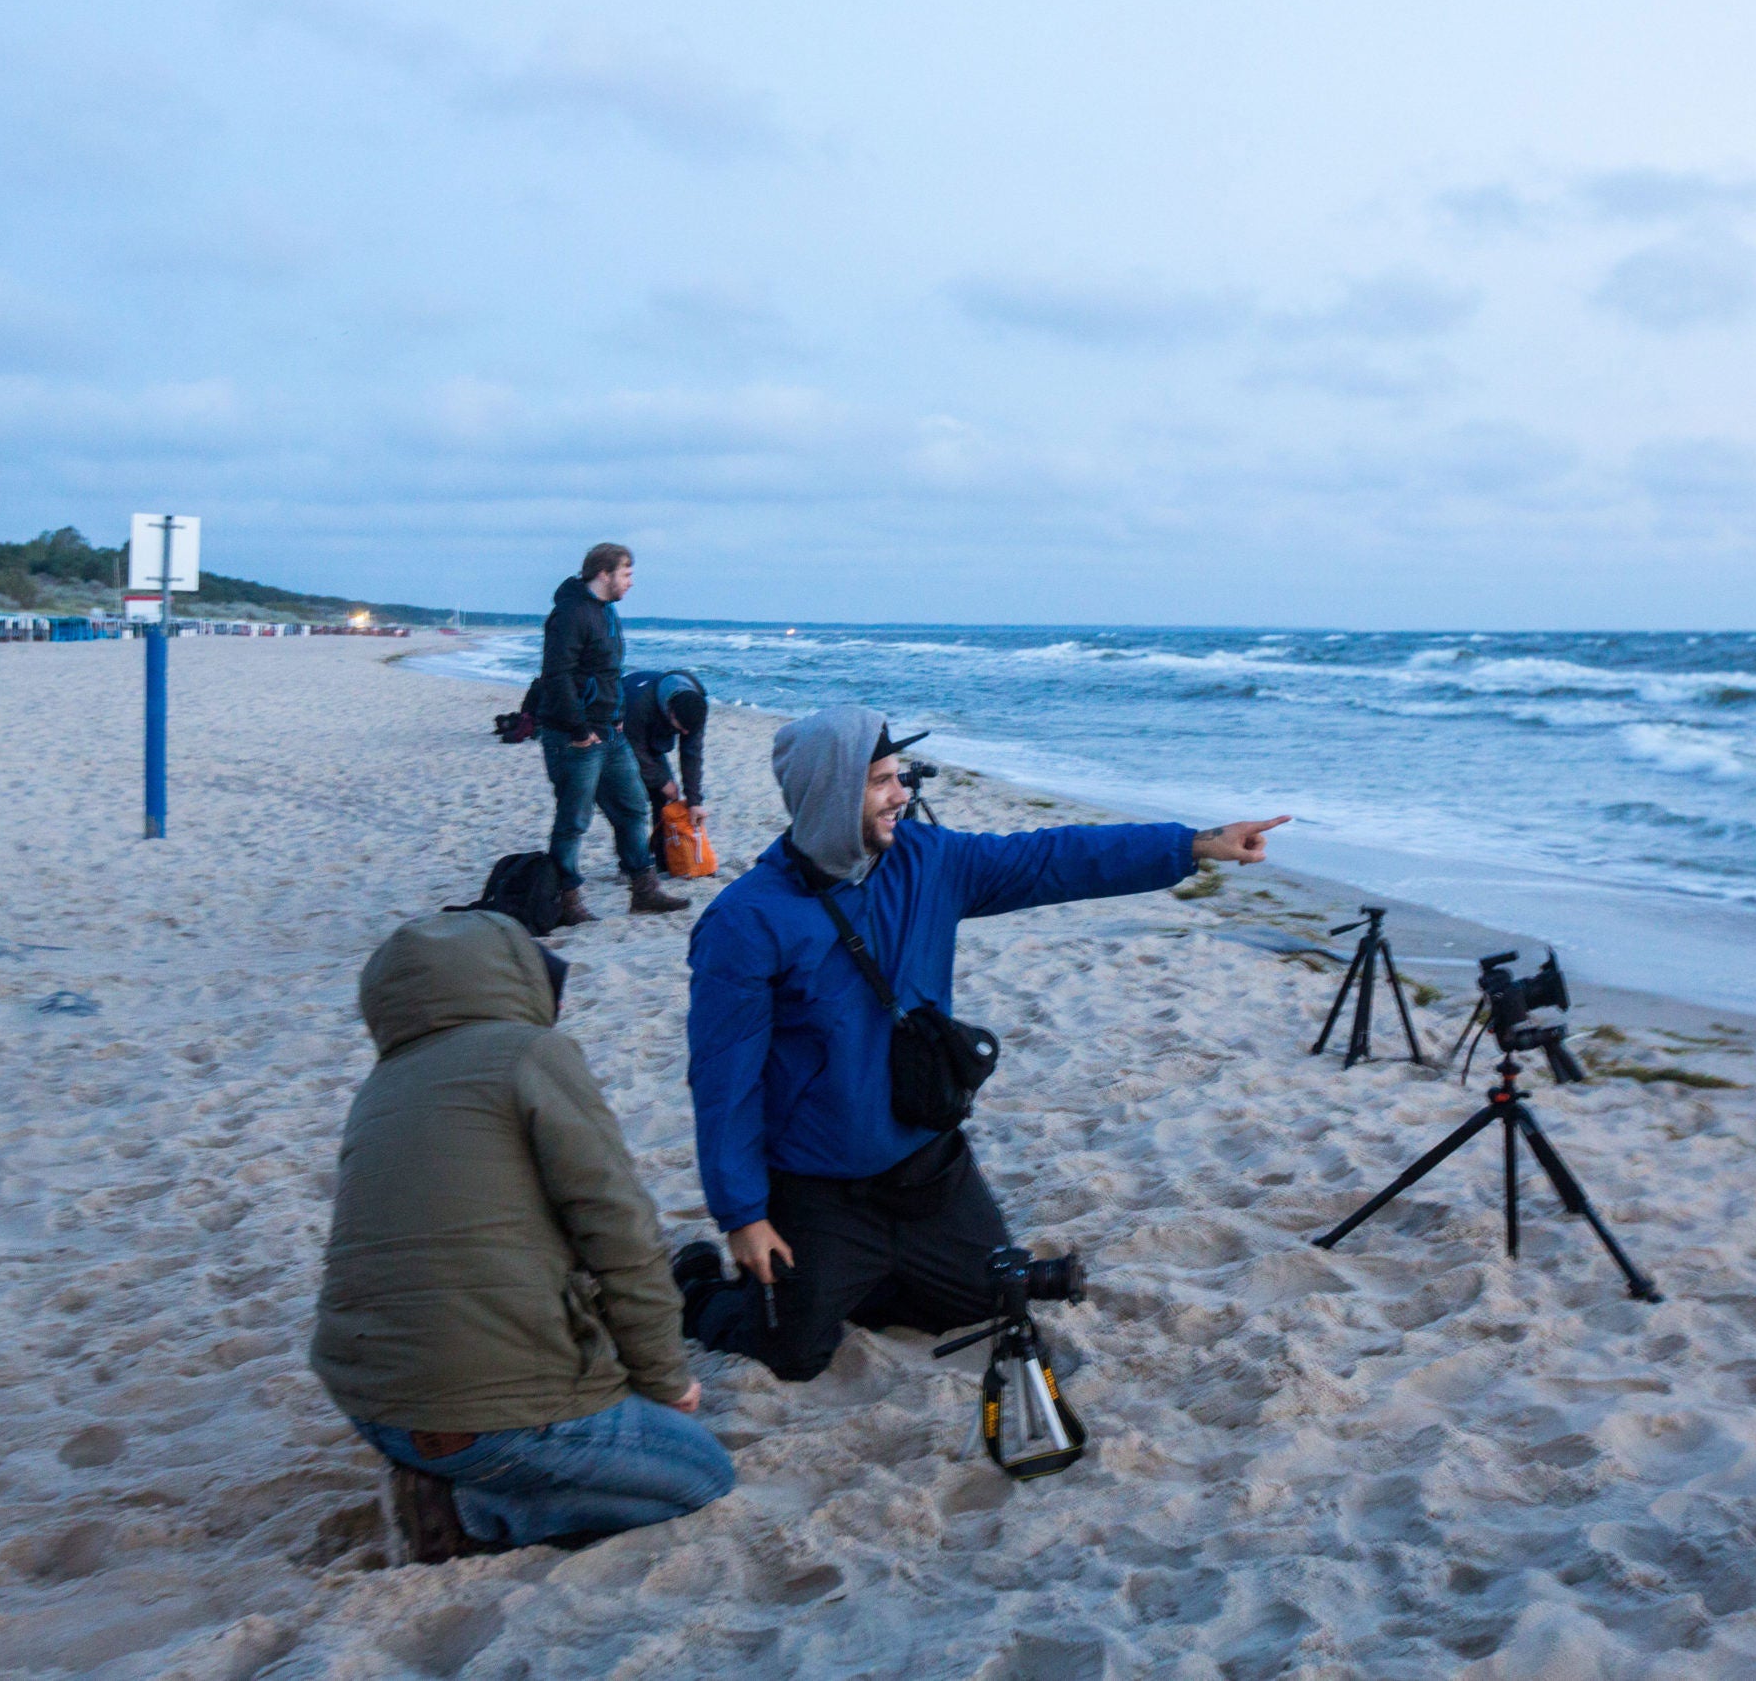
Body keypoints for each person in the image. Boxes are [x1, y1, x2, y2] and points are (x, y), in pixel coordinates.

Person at [671, 705, 1289, 1382]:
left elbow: (1054, 858)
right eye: (881, 781)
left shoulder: (929, 863)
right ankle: (700, 1285)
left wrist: (1193, 844)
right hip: (818, 1187)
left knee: (988, 1300)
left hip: (928, 1169)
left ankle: (873, 1275)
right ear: (831, 791)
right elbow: (723, 1081)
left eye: (898, 776)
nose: (902, 793)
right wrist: (741, 1213)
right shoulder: (746, 920)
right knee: (794, 1353)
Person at [311, 909, 733, 1560]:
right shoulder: (531, 1052)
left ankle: (446, 1479)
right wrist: (666, 1384)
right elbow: (622, 1231)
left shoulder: (381, 1084)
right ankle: (469, 1510)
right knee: (703, 1473)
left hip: (373, 1407)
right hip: (485, 1413)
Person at [537, 542, 688, 926]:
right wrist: (579, 728)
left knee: (634, 807)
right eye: (626, 574)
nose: (631, 582)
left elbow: (607, 673)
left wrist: (617, 715)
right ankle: (566, 901)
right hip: (576, 737)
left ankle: (645, 890)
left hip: (610, 732)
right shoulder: (571, 614)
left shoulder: (606, 613)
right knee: (574, 820)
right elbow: (557, 676)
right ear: (603, 573)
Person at [621, 668, 709, 834]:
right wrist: (661, 781)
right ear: (671, 712)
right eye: (682, 729)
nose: (685, 734)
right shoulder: (639, 703)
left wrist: (694, 801)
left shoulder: (695, 707)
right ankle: (635, 860)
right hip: (617, 738)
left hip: (652, 741)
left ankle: (663, 856)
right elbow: (633, 748)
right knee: (632, 807)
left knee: (666, 799)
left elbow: (692, 754)